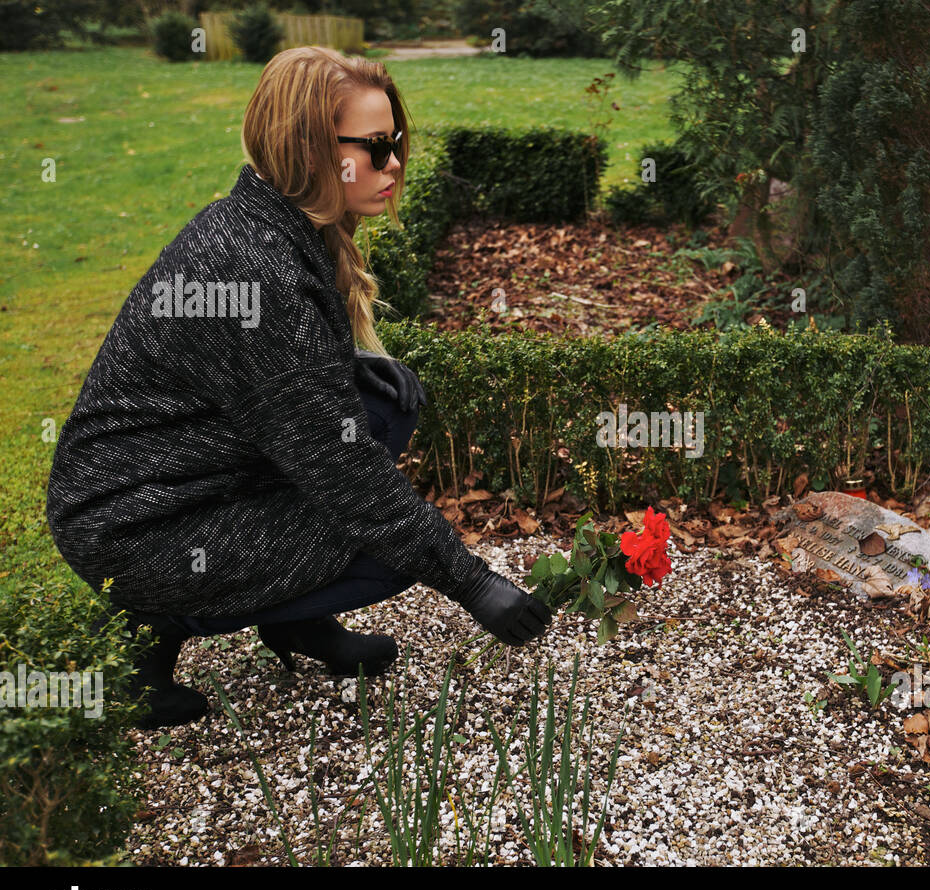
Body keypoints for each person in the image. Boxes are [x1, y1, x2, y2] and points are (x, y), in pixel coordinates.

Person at [45, 46, 552, 731]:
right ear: (311, 149)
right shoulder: (252, 273)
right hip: (135, 528)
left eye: (395, 141)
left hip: (171, 489)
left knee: (381, 406)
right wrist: (474, 583)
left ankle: (299, 623)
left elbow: (279, 395)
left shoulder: (269, 225)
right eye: (376, 146)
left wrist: (340, 364)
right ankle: (151, 633)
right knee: (382, 547)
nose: (395, 161)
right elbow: (345, 478)